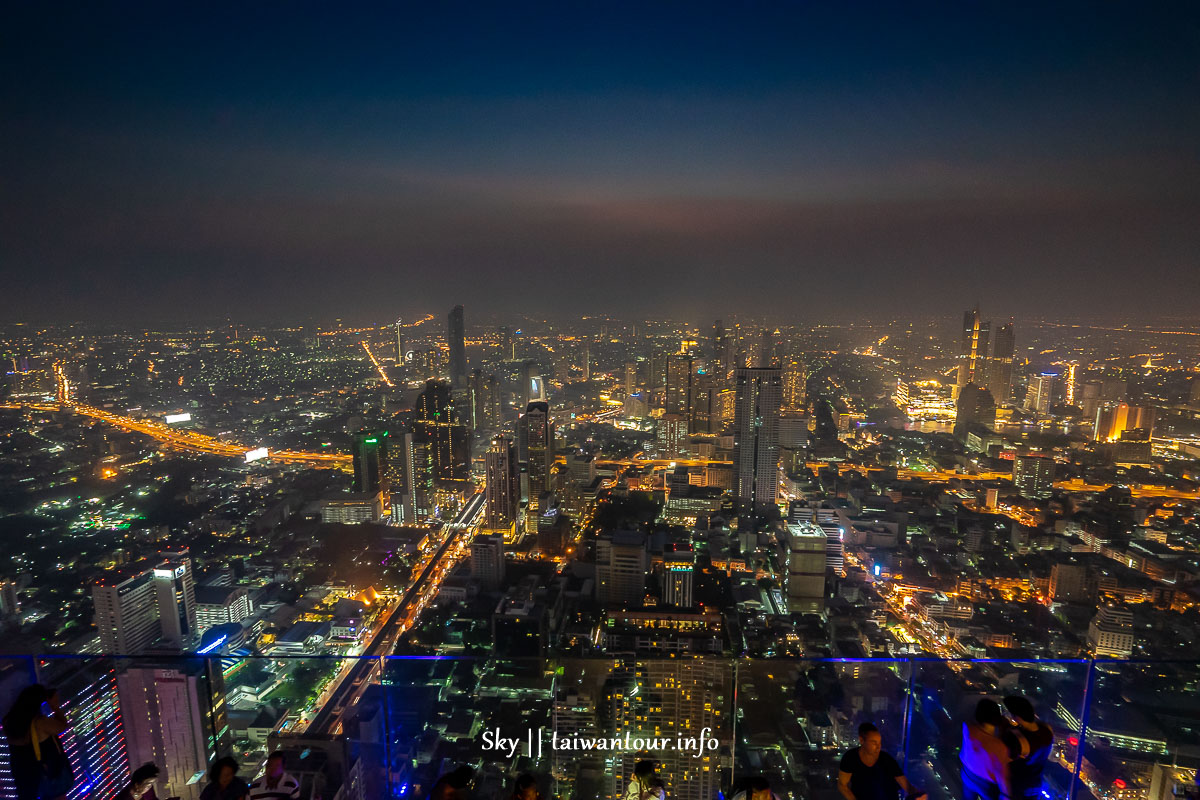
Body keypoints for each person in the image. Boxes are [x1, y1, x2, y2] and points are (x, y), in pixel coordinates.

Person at [3, 684, 74, 800]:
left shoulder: (8, 721)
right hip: (46, 774)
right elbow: (62, 726)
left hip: (23, 775)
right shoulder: (39, 723)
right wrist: (55, 707)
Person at [838, 723, 924, 800]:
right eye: (874, 743)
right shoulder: (851, 758)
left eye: (879, 743)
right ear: (861, 740)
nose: (878, 747)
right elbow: (842, 785)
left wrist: (919, 794)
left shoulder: (887, 760)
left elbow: (906, 786)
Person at [1000, 697, 1053, 800]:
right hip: (1036, 784)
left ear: (1017, 717)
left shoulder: (1017, 739)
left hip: (1018, 788)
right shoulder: (1047, 730)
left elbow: (1003, 762)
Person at [960, 700, 1013, 800]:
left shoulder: (967, 728)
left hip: (967, 774)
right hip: (986, 785)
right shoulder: (1000, 747)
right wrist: (1007, 796)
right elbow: (1002, 777)